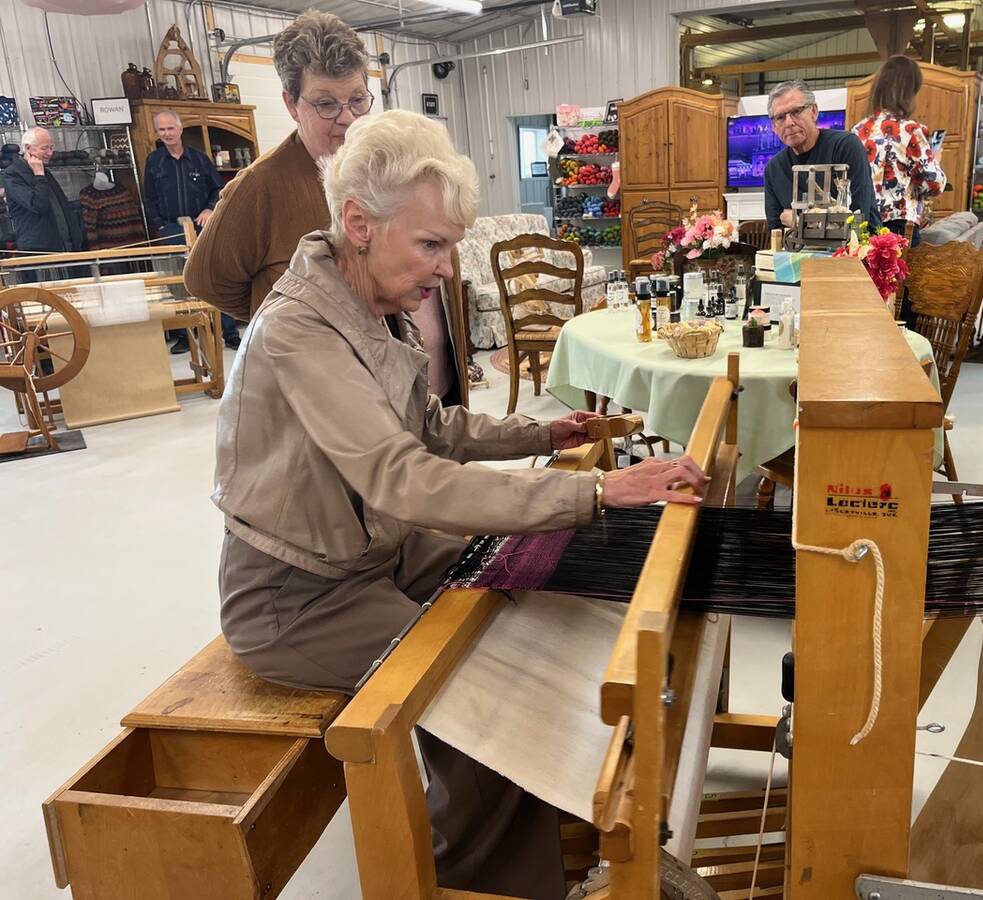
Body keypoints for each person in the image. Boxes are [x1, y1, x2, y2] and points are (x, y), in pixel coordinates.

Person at [214, 109, 710, 898]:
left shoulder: (367, 305)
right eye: (431, 245)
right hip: (295, 595)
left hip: (379, 549)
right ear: (358, 224)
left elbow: (433, 427)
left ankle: (578, 796)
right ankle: (486, 880)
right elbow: (403, 475)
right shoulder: (300, 332)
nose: (447, 269)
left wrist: (542, 436)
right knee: (486, 708)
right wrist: (591, 489)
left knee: (544, 585)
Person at [183, 10, 372, 323]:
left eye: (358, 99)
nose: (348, 118)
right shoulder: (260, 186)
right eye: (326, 104)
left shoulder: (375, 170)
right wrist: (278, 320)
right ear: (291, 105)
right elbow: (205, 280)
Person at [143, 109, 239, 351]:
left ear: (180, 129)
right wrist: (160, 224)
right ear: (158, 132)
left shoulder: (199, 159)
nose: (167, 134)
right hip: (171, 228)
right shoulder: (154, 162)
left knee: (213, 277)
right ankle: (186, 336)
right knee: (178, 283)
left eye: (170, 128)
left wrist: (208, 210)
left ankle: (228, 332)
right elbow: (149, 197)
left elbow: (218, 190)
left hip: (202, 226)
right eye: (161, 130)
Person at [851, 55, 946, 243]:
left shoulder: (857, 131)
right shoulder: (910, 131)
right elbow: (933, 185)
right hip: (899, 225)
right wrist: (936, 160)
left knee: (866, 272)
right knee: (899, 272)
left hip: (862, 223)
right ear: (908, 93)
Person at [763, 79, 879, 233]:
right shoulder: (773, 169)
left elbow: (858, 219)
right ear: (774, 127)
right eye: (780, 117)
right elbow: (776, 231)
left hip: (854, 251)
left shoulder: (845, 147)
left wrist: (798, 220)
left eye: (796, 111)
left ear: (814, 111)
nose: (789, 122)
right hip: (797, 255)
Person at [2, 127, 83, 255]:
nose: (50, 153)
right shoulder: (12, 175)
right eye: (44, 148)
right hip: (39, 251)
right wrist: (39, 175)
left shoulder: (45, 172)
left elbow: (63, 207)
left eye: (51, 147)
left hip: (66, 247)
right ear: (28, 148)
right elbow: (39, 205)